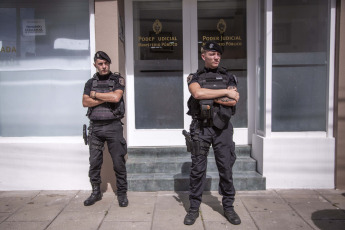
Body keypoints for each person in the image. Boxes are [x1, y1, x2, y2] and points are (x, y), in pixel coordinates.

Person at [183, 41, 241, 225]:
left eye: (218, 54)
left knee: (225, 168)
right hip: (201, 128)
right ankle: (193, 209)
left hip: (222, 128)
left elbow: (233, 101)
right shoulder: (194, 77)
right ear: (203, 56)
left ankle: (229, 207)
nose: (216, 57)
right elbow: (197, 94)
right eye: (212, 54)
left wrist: (209, 94)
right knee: (198, 170)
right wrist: (223, 93)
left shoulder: (229, 76)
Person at [82, 51, 128, 207]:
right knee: (94, 162)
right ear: (95, 65)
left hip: (113, 126)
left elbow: (116, 97)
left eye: (106, 63)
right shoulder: (90, 83)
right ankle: (95, 192)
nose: (104, 66)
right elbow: (85, 102)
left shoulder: (117, 80)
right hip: (95, 127)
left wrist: (95, 95)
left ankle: (122, 194)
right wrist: (104, 97)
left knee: (118, 162)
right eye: (100, 64)